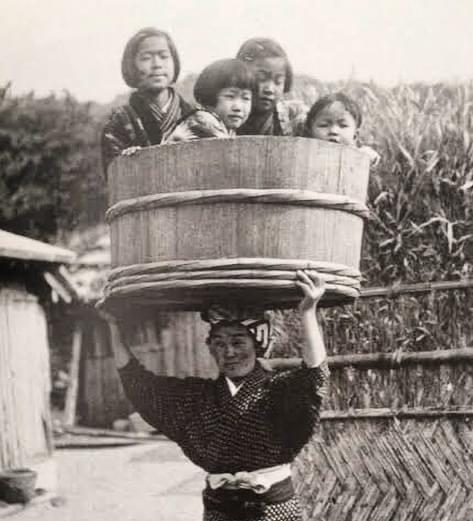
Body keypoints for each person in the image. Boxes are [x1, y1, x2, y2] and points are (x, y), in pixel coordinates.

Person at [101, 271, 329, 521]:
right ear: (210, 349)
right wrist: (113, 327)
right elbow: (138, 383)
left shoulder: (278, 391)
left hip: (273, 509)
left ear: (258, 345)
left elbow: (314, 375)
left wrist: (308, 312)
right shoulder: (196, 397)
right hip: (218, 509)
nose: (229, 352)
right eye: (219, 343)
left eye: (238, 342)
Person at [101, 27, 193, 176]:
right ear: (131, 65)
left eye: (164, 56)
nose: (157, 64)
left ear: (174, 62)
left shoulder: (195, 117)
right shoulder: (119, 122)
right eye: (146, 58)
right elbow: (116, 178)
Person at [165, 58, 254, 143]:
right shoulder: (203, 122)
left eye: (246, 98)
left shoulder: (227, 129)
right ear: (210, 94)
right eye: (230, 96)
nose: (238, 107)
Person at [235, 38, 307, 137]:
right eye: (261, 78)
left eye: (278, 82)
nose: (269, 89)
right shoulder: (223, 116)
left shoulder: (293, 119)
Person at [304, 91, 380, 165]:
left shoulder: (357, 157)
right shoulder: (303, 155)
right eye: (324, 125)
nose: (333, 131)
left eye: (343, 125)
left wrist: (364, 156)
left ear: (355, 136)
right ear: (310, 131)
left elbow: (366, 154)